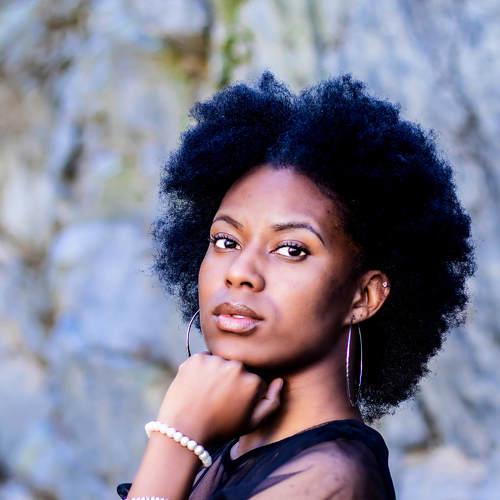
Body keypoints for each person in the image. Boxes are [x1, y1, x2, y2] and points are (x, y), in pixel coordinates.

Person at [116, 70, 476, 499]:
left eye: (291, 249)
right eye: (226, 241)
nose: (240, 272)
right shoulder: (235, 451)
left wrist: (176, 438)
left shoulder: (330, 478)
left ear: (363, 297)